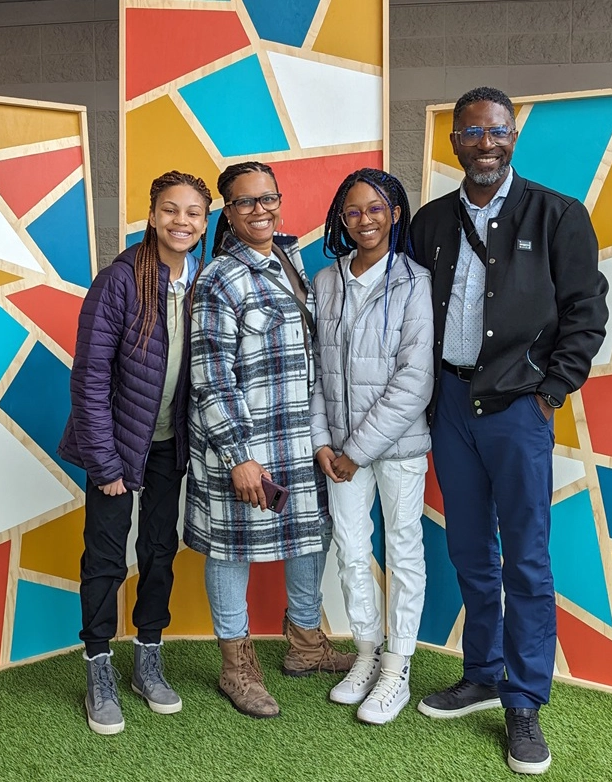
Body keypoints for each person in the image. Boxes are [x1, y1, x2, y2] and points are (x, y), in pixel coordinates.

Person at [409, 87, 608, 776]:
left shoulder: (556, 214)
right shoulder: (431, 222)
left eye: (496, 131)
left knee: (525, 559)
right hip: (451, 406)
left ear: (512, 136)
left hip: (519, 409)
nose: (484, 143)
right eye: (470, 132)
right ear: (454, 142)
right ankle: (481, 673)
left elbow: (585, 311)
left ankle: (522, 702)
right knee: (469, 551)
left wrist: (552, 391)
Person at [187, 161, 354, 720]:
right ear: (227, 213)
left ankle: (305, 645)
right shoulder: (218, 278)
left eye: (267, 199)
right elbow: (210, 374)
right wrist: (239, 456)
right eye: (244, 203)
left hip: (298, 436)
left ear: (279, 200)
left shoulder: (292, 260)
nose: (260, 211)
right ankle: (237, 665)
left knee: (310, 537)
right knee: (232, 550)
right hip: (247, 441)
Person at [59, 170, 213, 735]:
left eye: (193, 212)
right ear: (151, 215)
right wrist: (104, 463)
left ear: (204, 221)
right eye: (170, 210)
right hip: (117, 444)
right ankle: (98, 662)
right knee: (103, 556)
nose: (181, 221)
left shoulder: (205, 280)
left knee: (158, 549)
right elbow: (91, 377)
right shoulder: (120, 280)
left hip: (171, 445)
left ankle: (148, 655)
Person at [309, 168, 433, 725]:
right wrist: (321, 442)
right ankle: (364, 653)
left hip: (397, 448)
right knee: (352, 550)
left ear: (396, 213)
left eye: (376, 209)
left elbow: (414, 379)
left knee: (403, 551)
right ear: (342, 217)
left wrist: (357, 449)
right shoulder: (325, 280)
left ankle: (396, 666)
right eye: (354, 211)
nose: (365, 220)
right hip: (337, 451)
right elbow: (314, 371)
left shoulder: (416, 282)